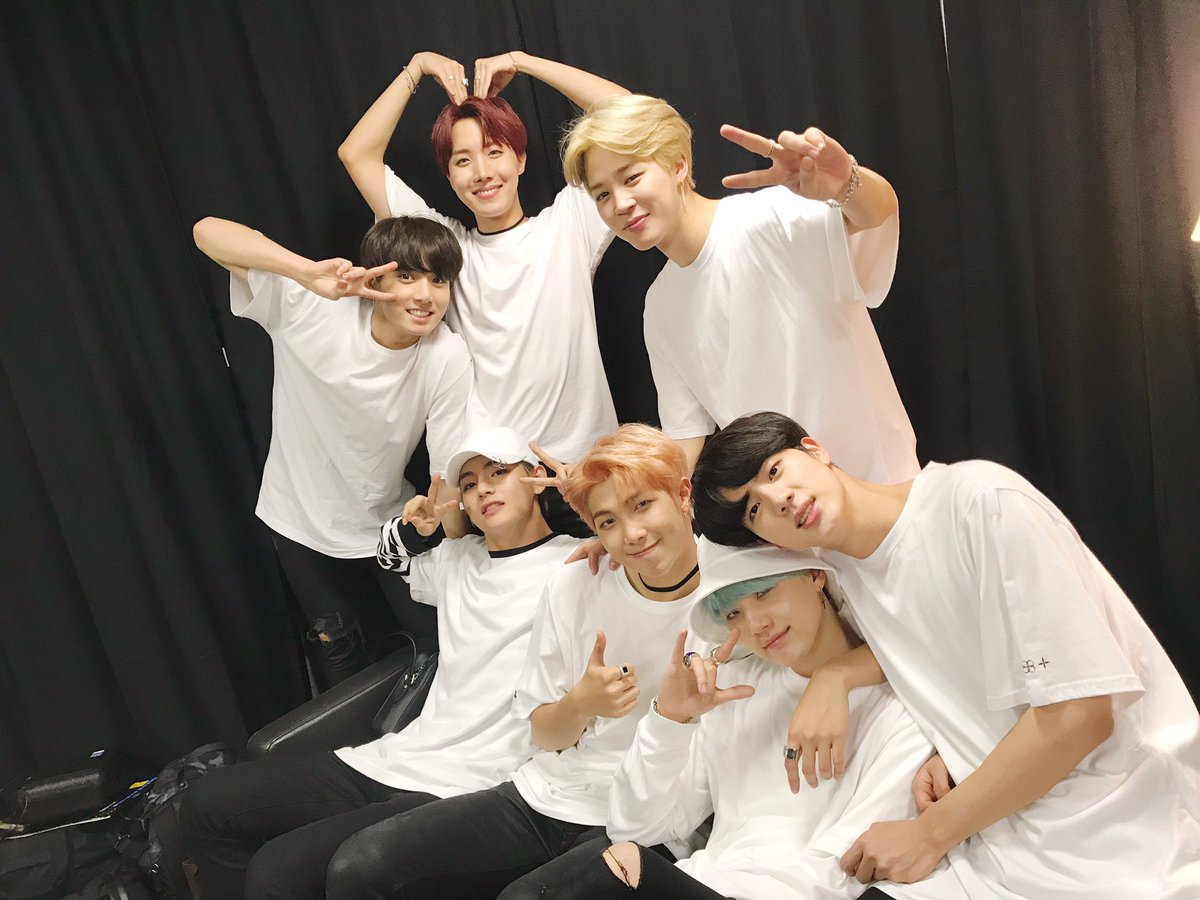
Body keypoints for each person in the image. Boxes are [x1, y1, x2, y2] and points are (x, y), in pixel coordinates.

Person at [690, 411, 1200, 899]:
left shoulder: (979, 501)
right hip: (996, 839)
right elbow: (929, 638)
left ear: (815, 450)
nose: (778, 500)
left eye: (774, 471)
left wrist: (931, 833)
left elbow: (1079, 715)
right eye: (754, 510)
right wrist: (839, 678)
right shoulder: (842, 576)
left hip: (1125, 829)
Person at [180, 426, 581, 899]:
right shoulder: (456, 561)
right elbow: (390, 555)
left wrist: (581, 493)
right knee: (205, 805)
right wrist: (414, 529)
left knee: (277, 872)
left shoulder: (578, 563)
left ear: (535, 478)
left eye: (499, 472)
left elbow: (641, 553)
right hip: (399, 754)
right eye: (470, 483)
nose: (484, 489)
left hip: (472, 782)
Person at [322, 424, 705, 898]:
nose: (633, 533)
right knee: (358, 866)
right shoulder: (571, 581)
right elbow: (544, 733)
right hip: (545, 790)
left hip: (649, 813)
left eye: (642, 504)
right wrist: (581, 703)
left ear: (683, 495)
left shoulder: (735, 592)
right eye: (608, 522)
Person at [527, 538, 933, 899]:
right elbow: (635, 827)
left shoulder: (903, 709)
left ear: (815, 576)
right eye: (734, 613)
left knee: (601, 875)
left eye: (764, 592)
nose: (756, 624)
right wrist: (669, 720)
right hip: (706, 878)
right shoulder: (737, 687)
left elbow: (844, 871)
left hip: (763, 891)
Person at [338, 51, 630, 535]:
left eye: (494, 152)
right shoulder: (446, 249)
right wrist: (416, 68)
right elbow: (357, 155)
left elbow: (629, 115)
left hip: (586, 473)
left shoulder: (568, 224)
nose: (481, 172)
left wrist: (526, 62)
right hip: (498, 486)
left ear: (520, 159)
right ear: (450, 176)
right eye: (463, 160)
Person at [561, 94, 918, 482]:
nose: (620, 203)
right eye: (602, 194)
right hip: (782, 510)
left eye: (631, 178)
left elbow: (877, 212)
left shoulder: (770, 216)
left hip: (883, 489)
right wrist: (612, 496)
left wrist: (846, 181)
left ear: (678, 164)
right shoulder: (660, 307)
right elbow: (685, 443)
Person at [193, 214, 477, 685]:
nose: (425, 296)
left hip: (388, 518)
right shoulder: (312, 308)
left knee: (438, 642)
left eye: (439, 280)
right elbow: (206, 232)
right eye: (407, 276)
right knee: (338, 648)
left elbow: (445, 474)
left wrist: (457, 553)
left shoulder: (445, 354)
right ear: (376, 279)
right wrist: (305, 272)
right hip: (300, 516)